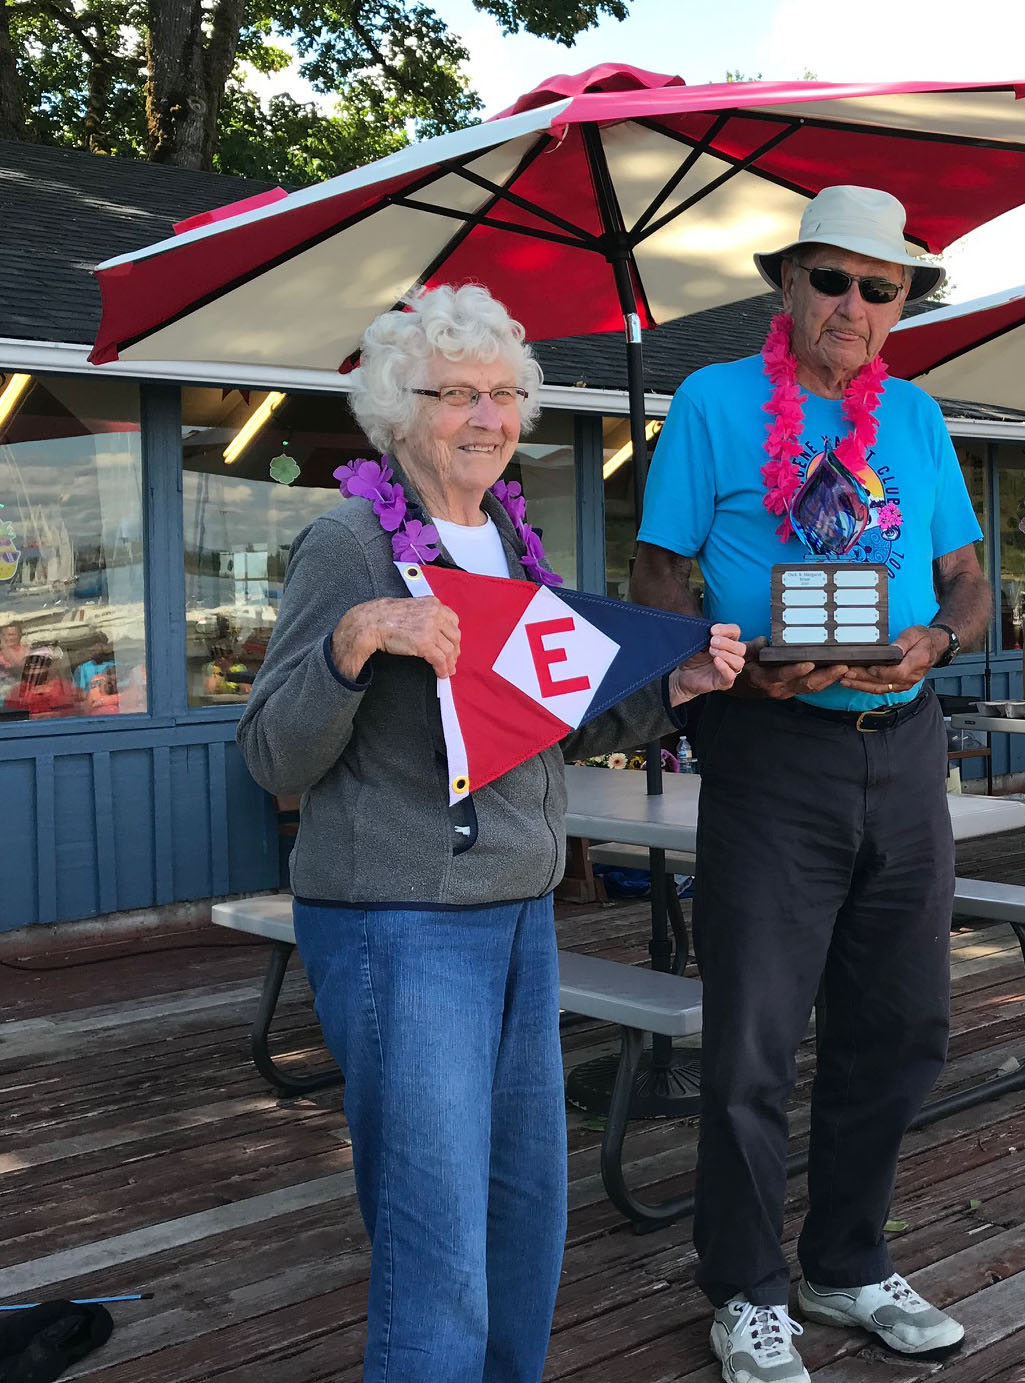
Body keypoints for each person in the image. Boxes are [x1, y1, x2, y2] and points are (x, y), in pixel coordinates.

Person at [237, 284, 745, 1383]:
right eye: (456, 393)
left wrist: (683, 688)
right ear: (394, 410)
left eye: (505, 393)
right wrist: (355, 642)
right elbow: (273, 754)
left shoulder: (513, 541)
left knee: (524, 1210)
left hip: (520, 913)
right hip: (399, 927)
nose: (487, 416)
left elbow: (554, 719)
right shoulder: (347, 546)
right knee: (435, 1233)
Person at [631, 186, 991, 1383]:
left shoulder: (921, 419)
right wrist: (725, 676)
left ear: (900, 305)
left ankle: (845, 1262)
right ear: (787, 287)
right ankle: (743, 1288)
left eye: (875, 287)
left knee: (903, 1024)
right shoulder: (711, 402)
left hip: (904, 741)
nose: (850, 304)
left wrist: (933, 644)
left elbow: (966, 585)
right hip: (770, 749)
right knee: (752, 1039)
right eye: (828, 280)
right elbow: (659, 573)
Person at [3, 645, 79, 719]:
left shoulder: (67, 688)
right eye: (30, 663)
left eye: (41, 662)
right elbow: (11, 719)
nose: (34, 666)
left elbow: (74, 716)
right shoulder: (16, 692)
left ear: (52, 666)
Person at [73, 630, 115, 695]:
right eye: (90, 645)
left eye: (97, 644)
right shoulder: (81, 669)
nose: (94, 648)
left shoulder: (114, 666)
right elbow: (80, 695)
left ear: (104, 645)